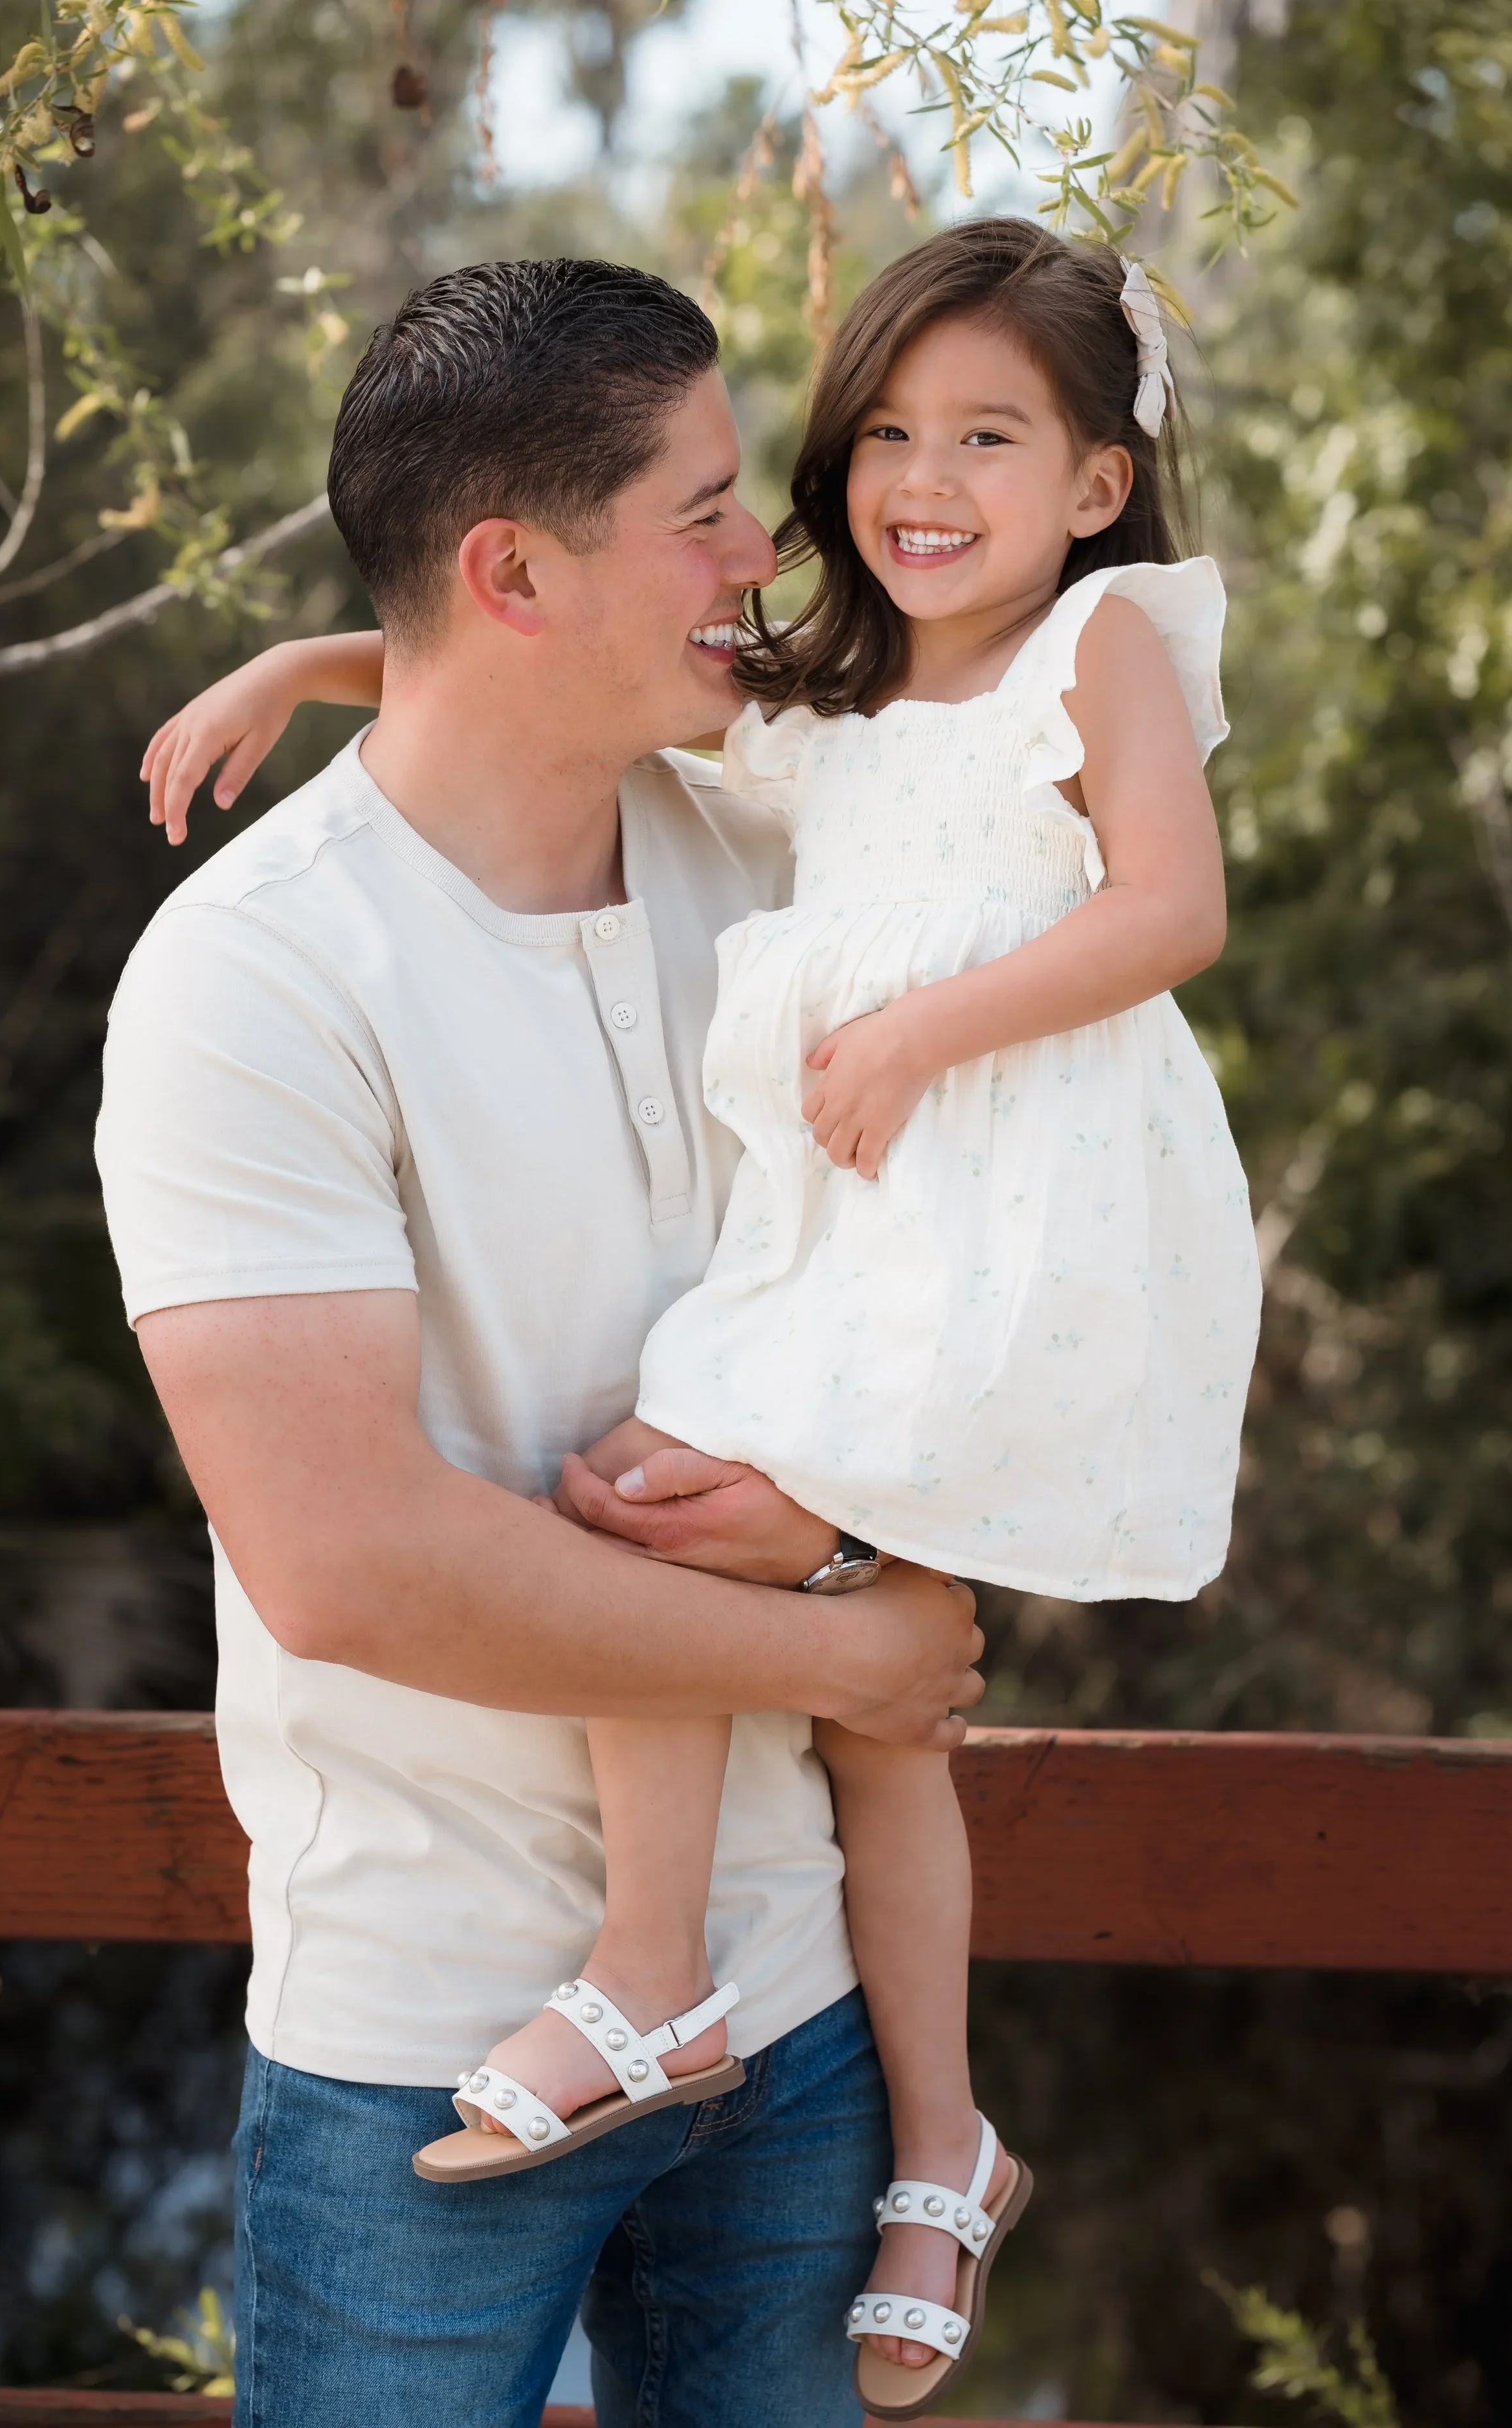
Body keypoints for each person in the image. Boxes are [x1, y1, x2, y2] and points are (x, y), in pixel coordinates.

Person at [142, 219, 1263, 2423]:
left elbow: (943, 1329)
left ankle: (890, 2103)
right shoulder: (253, 974)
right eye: (710, 507)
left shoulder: (793, 864)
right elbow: (344, 1559)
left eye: (766, 484)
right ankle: (648, 1981)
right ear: (513, 575)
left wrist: (855, 1565)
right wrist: (846, 1646)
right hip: (422, 2030)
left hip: (802, 1997)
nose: (776, 544)